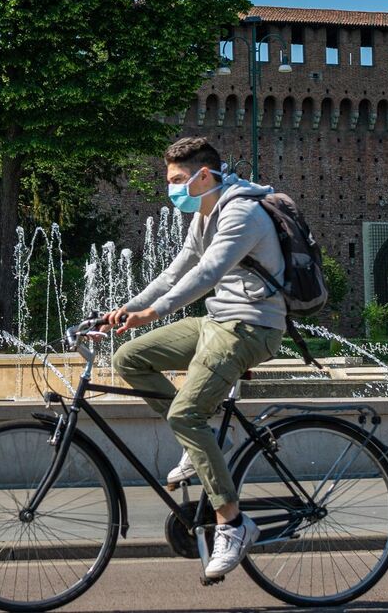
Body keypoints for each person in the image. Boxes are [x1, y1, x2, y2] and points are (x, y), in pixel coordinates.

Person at [105, 137, 288, 585]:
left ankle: (233, 523)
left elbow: (208, 274)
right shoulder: (205, 212)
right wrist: (126, 311)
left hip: (251, 327)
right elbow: (178, 268)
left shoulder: (241, 211)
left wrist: (155, 312)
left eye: (176, 181)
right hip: (216, 322)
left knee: (186, 414)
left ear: (204, 175)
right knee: (130, 357)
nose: (172, 190)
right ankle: (202, 445)